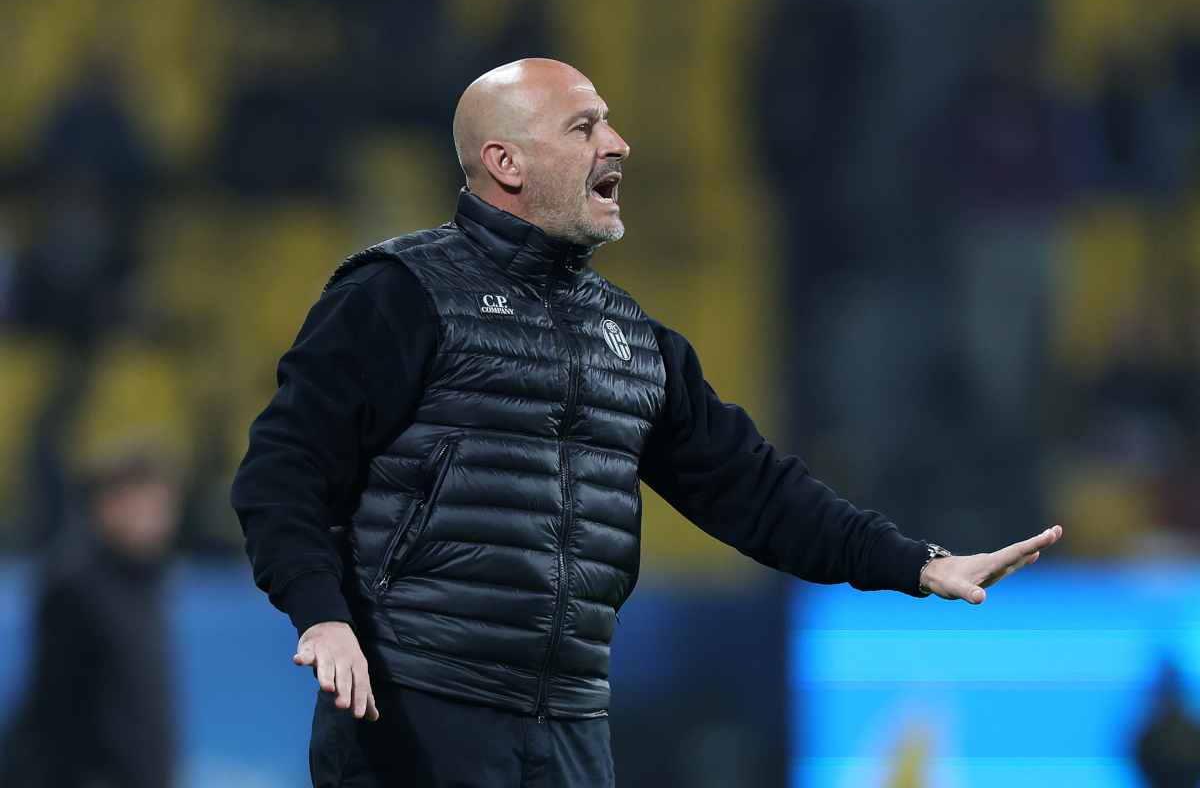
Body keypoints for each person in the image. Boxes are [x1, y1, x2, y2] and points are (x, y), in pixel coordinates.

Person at [231, 58, 1062, 788]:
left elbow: (757, 493)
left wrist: (916, 564)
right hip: (415, 712)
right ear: (505, 161)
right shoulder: (397, 295)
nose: (618, 143)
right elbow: (281, 471)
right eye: (585, 125)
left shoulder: (632, 339)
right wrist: (322, 614)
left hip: (571, 727)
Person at [0, 453, 179, 788]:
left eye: (160, 508)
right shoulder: (74, 586)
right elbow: (58, 713)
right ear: (105, 505)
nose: (154, 520)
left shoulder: (146, 583)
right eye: (140, 506)